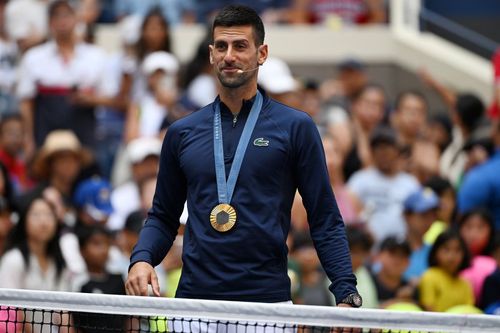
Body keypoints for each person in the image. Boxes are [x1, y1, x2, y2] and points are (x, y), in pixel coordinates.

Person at [126, 4, 360, 309]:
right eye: (221, 46)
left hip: (268, 306)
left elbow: (324, 217)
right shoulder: (181, 132)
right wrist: (142, 259)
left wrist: (345, 290)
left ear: (261, 54)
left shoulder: (295, 127)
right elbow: (163, 216)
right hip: (193, 307)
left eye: (240, 46)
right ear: (211, 54)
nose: (229, 56)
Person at [419, 229, 473, 312]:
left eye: (457, 250)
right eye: (446, 249)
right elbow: (429, 311)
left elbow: (468, 312)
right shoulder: (429, 276)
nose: (451, 256)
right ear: (435, 252)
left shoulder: (465, 283)